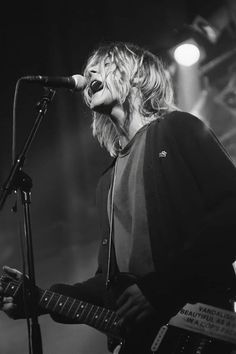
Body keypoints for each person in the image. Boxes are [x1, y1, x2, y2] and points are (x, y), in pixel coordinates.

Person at [1, 42, 236, 354]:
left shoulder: (179, 129)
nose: (88, 74)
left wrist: (159, 290)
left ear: (137, 76)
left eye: (102, 65)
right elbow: (109, 286)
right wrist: (41, 298)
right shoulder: (108, 181)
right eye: (87, 71)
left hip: (199, 333)